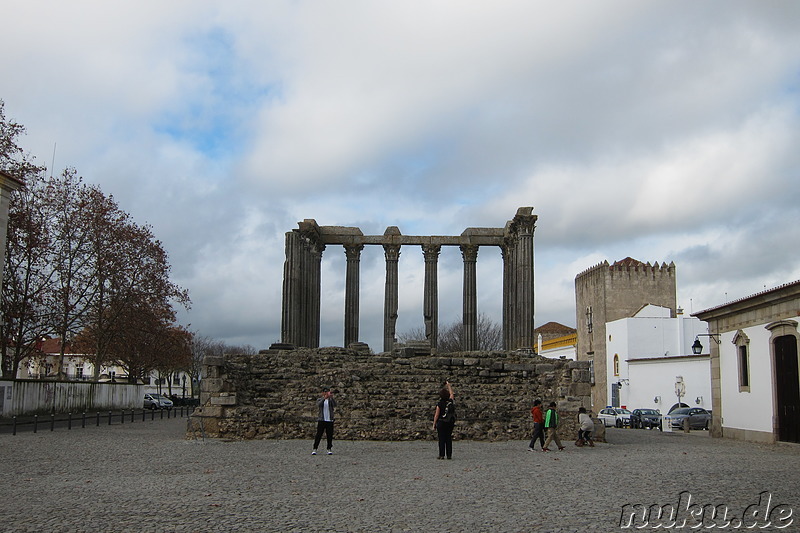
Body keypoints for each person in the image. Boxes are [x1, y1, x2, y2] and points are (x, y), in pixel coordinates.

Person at [432, 380, 455, 460]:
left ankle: (441, 455)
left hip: (441, 422)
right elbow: (452, 393)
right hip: (449, 422)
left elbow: (437, 415)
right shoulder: (450, 401)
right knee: (448, 438)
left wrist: (434, 424)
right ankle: (449, 455)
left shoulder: (440, 404)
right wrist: (448, 385)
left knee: (441, 439)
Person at [312, 387, 336, 455]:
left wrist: (331, 398)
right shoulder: (320, 399)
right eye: (325, 392)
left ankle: (329, 448)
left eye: (327, 392)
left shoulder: (330, 400)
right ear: (323, 393)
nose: (326, 393)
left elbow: (335, 405)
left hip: (329, 420)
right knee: (318, 435)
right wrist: (324, 398)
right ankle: (315, 448)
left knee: (329, 435)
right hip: (322, 420)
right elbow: (319, 405)